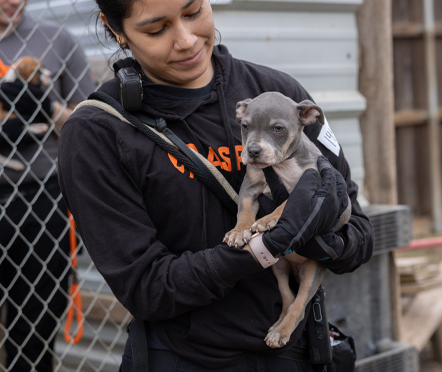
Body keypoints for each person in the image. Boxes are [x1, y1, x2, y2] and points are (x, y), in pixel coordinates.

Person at [58, 0, 374, 371]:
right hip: (185, 359)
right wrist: (262, 247)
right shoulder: (98, 132)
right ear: (117, 31)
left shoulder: (276, 93)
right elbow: (146, 289)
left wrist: (326, 242)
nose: (187, 40)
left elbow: (360, 233)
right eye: (156, 29)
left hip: (295, 353)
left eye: (193, 12)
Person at [0, 0, 95, 371]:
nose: (15, 1)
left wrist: (50, 109)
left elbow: (92, 124)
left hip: (44, 197)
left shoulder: (57, 39)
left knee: (35, 328)